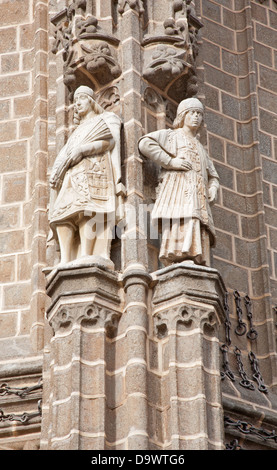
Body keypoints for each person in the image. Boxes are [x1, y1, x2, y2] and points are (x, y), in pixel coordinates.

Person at [138, 97, 219, 266]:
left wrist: (213, 187)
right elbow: (145, 143)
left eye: (199, 114)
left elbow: (213, 175)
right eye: (192, 113)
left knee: (195, 219)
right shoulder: (173, 136)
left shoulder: (200, 148)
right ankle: (179, 255)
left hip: (198, 195)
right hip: (178, 190)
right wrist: (171, 162)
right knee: (182, 218)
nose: (196, 117)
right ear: (183, 116)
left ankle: (194, 256)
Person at [48, 85, 124, 266]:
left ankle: (86, 254)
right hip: (72, 174)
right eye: (75, 101)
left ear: (91, 101)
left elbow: (110, 141)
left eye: (81, 98)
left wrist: (83, 150)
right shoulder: (76, 132)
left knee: (87, 211)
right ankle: (66, 260)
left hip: (93, 169)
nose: (77, 104)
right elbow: (65, 154)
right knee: (62, 215)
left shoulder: (104, 120)